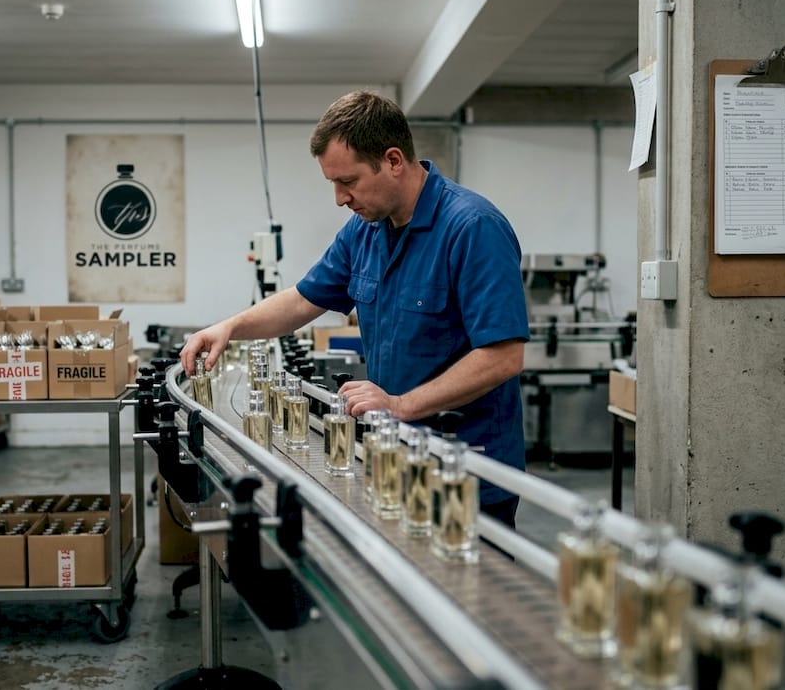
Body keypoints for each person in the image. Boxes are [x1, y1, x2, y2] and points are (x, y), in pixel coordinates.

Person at [179, 90, 529, 526]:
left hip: (465, 468)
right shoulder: (365, 232)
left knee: (466, 590)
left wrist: (401, 405)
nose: (340, 198)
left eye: (348, 181)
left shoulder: (472, 228)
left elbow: (503, 356)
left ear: (394, 160)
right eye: (333, 184)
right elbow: (304, 299)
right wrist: (229, 327)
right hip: (393, 456)